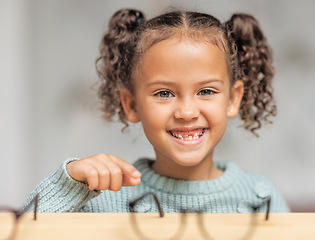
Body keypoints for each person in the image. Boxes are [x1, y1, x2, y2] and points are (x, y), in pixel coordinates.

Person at [25, 9, 289, 213]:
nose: (186, 112)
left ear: (233, 99)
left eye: (206, 91)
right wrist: (68, 181)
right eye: (164, 93)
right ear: (131, 104)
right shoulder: (104, 197)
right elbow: (21, 232)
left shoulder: (261, 197)